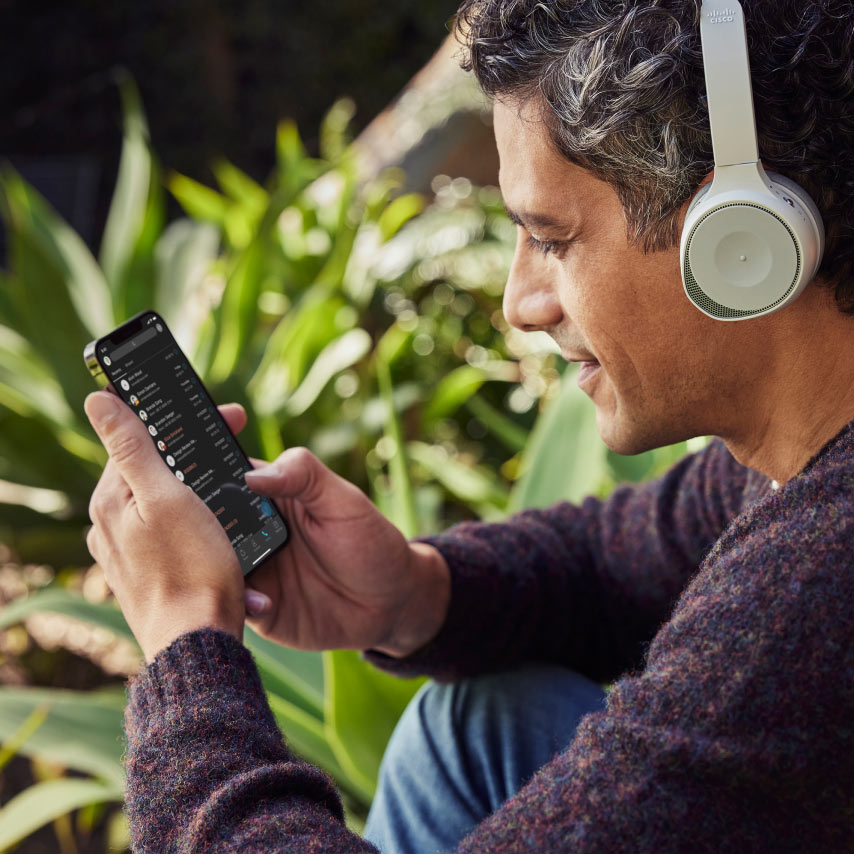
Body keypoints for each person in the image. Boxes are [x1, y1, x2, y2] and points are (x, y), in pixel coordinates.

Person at [82, 1, 854, 851]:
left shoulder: (814, 595)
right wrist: (412, 594)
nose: (519, 305)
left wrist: (186, 638)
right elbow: (619, 558)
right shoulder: (798, 459)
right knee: (479, 726)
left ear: (740, 238)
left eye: (551, 237)